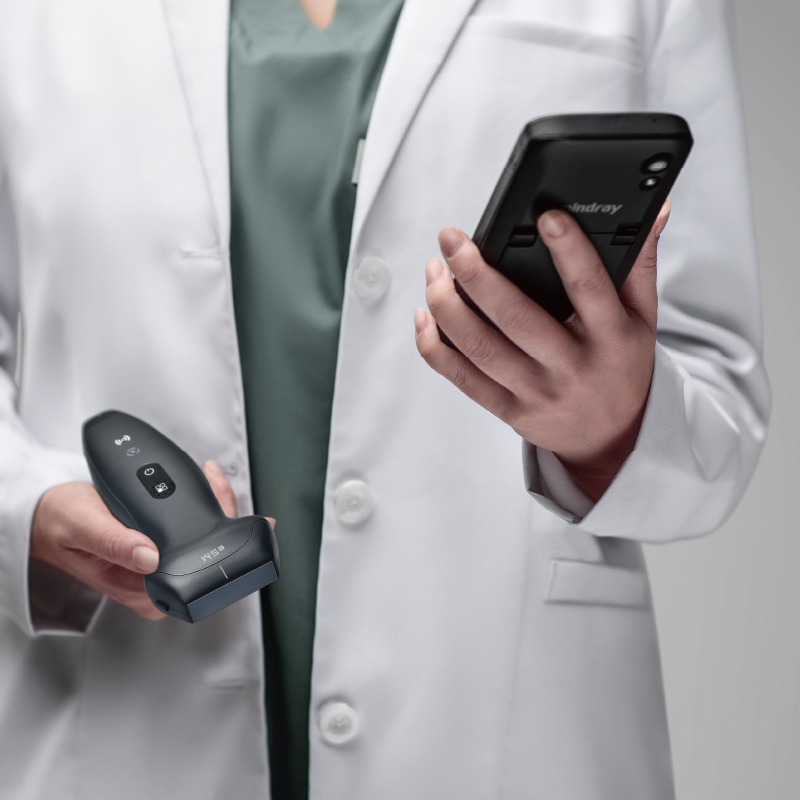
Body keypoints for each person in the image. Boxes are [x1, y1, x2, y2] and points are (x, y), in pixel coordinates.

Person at [0, 0, 769, 798]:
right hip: (122, 710)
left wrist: (615, 427)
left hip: (496, 722)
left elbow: (720, 406)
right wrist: (26, 506)